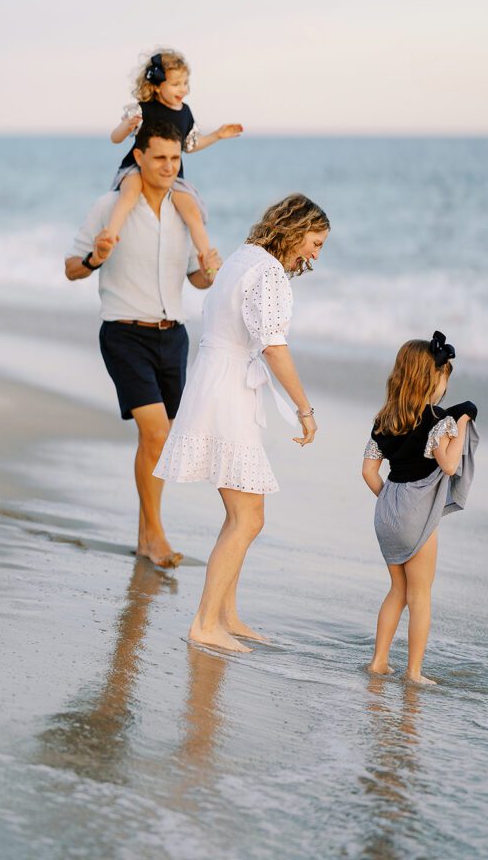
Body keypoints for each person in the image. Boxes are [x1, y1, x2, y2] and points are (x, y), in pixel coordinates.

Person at [154, 193, 331, 652]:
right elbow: (273, 346)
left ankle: (225, 616)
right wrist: (305, 410)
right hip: (228, 392)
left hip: (217, 383)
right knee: (249, 517)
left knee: (241, 514)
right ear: (294, 230)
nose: (315, 255)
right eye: (315, 242)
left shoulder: (241, 258)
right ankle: (205, 622)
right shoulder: (268, 272)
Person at [65, 121, 221, 568]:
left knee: (159, 443)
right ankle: (156, 537)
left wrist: (209, 273)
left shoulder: (185, 210)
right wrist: (96, 256)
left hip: (173, 336)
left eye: (175, 159)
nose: (169, 167)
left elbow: (196, 276)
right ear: (139, 157)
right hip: (124, 333)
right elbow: (71, 268)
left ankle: (144, 536)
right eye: (159, 158)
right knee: (156, 433)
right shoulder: (109, 207)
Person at [361, 332, 479, 684]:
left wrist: (390, 503)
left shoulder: (383, 420)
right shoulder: (439, 422)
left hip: (387, 510)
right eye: (445, 378)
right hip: (417, 513)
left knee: (398, 591)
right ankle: (414, 672)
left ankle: (379, 661)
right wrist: (460, 423)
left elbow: (368, 472)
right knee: (421, 595)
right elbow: (449, 466)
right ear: (434, 379)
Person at [106, 47, 243, 266]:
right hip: (138, 166)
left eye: (186, 83)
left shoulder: (185, 112)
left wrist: (217, 135)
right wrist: (126, 125)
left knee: (191, 208)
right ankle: (109, 238)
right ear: (158, 87)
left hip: (172, 173)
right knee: (129, 193)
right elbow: (115, 138)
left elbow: (190, 145)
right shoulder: (142, 109)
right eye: (176, 84)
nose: (184, 89)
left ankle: (207, 257)